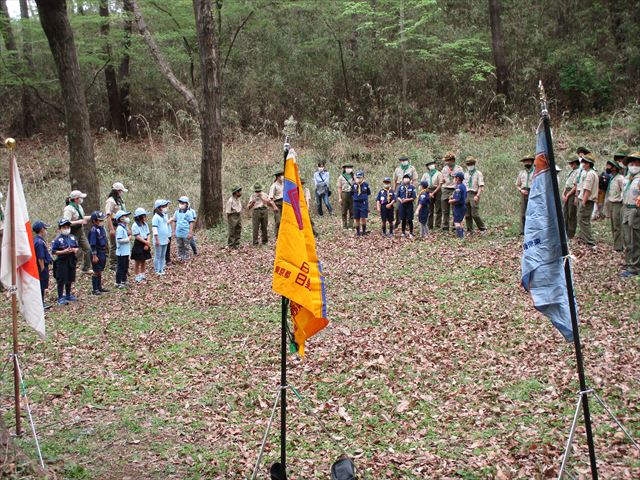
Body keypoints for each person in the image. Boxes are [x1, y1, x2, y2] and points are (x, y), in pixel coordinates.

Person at [620, 152, 640, 278]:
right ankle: (629, 262)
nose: (633, 166)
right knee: (627, 237)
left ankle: (635, 267)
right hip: (625, 208)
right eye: (631, 163)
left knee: (635, 238)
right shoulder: (627, 178)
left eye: (636, 163)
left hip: (635, 210)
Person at [63, 190, 92, 273]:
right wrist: (79, 222)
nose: (81, 199)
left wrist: (92, 216)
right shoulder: (68, 209)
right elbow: (66, 222)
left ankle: (85, 268)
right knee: (71, 251)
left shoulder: (79, 207)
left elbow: (82, 217)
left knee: (87, 249)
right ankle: (68, 269)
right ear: (76, 199)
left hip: (80, 230)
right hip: (72, 232)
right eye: (80, 198)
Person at [51, 218, 79, 305]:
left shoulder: (72, 237)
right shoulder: (57, 239)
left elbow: (77, 247)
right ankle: (60, 297)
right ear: (60, 229)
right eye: (64, 227)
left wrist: (74, 250)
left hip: (71, 260)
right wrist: (64, 251)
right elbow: (54, 251)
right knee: (61, 279)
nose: (66, 229)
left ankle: (68, 295)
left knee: (70, 277)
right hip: (62, 261)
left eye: (67, 226)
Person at [576, 153, 599, 248]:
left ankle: (590, 242)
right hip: (585, 199)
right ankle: (584, 238)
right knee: (583, 220)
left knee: (584, 220)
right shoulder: (589, 173)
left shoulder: (590, 174)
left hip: (587, 200)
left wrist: (583, 202)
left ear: (588, 164)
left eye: (584, 163)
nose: (583, 164)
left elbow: (587, 189)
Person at [104, 182, 128, 270]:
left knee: (121, 242)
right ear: (117, 191)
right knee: (114, 244)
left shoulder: (119, 200)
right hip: (114, 224)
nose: (122, 192)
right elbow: (108, 215)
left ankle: (119, 261)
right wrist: (111, 229)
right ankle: (113, 263)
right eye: (121, 191)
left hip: (121, 224)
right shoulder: (110, 201)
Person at [440, 152, 464, 232]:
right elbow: (442, 179)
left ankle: (455, 227)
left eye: (448, 160)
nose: (446, 162)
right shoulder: (444, 168)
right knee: (445, 210)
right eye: (446, 161)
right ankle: (445, 227)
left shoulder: (459, 169)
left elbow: (461, 180)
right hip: (446, 189)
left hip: (455, 189)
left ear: (452, 160)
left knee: (455, 210)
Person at [393, 155, 418, 229]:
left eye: (404, 160)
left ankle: (407, 221)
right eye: (402, 160)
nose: (403, 162)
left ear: (407, 160)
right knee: (398, 207)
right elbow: (395, 180)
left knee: (408, 205)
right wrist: (394, 190)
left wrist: (412, 188)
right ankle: (397, 221)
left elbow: (415, 179)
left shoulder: (412, 168)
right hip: (399, 187)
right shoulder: (397, 169)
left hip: (409, 188)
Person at [87, 211, 109, 295]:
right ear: (94, 221)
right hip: (96, 252)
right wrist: (94, 255)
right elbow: (93, 244)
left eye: (102, 220)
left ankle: (99, 287)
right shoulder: (93, 230)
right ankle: (95, 289)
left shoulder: (101, 229)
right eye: (99, 220)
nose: (101, 222)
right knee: (96, 270)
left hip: (102, 251)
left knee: (100, 270)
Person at [463, 156, 486, 234]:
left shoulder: (478, 173)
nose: (469, 165)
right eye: (468, 164)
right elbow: (464, 185)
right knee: (467, 214)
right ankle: (470, 230)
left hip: (474, 194)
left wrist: (477, 195)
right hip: (466, 194)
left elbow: (481, 185)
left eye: (471, 163)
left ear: (474, 164)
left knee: (475, 214)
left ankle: (482, 228)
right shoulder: (465, 174)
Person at [606, 158, 625, 252]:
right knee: (613, 224)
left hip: (618, 204)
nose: (607, 168)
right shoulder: (612, 178)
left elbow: (624, 191)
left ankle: (619, 247)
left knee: (617, 225)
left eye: (609, 166)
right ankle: (616, 243)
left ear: (614, 168)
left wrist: (620, 200)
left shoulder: (620, 178)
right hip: (611, 203)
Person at [33, 221, 52, 309]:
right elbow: (40, 258)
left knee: (42, 285)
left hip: (41, 266)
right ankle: (40, 303)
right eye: (45, 228)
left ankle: (41, 301)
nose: (46, 230)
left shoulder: (38, 240)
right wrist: (42, 268)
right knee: (41, 285)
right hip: (41, 267)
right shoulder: (39, 242)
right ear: (41, 230)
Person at [131, 208, 152, 282]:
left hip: (146, 242)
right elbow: (137, 236)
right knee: (137, 261)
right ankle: (137, 275)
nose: (145, 218)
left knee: (143, 260)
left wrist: (148, 242)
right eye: (144, 216)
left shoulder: (145, 224)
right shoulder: (135, 225)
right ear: (140, 217)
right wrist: (145, 242)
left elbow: (148, 233)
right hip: (139, 243)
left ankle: (143, 274)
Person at [562, 158, 580, 239]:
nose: (571, 165)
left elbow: (576, 186)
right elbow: (566, 184)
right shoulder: (571, 172)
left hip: (572, 193)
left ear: (576, 163)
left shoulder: (579, 171)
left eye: (572, 163)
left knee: (571, 213)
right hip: (567, 192)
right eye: (570, 164)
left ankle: (571, 233)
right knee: (565, 212)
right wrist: (563, 194)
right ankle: (564, 231)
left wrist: (568, 194)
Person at [516, 156, 535, 235]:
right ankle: (522, 231)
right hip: (523, 192)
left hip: (533, 192)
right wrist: (521, 190)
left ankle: (532, 230)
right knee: (523, 212)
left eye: (528, 161)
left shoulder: (535, 172)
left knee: (533, 212)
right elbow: (517, 185)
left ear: (531, 162)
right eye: (525, 161)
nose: (527, 163)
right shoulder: (521, 173)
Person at [421, 159, 442, 230]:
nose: (431, 166)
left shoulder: (439, 173)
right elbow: (422, 184)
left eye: (432, 164)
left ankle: (437, 225)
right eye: (429, 165)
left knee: (438, 208)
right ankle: (430, 225)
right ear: (427, 167)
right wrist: (428, 193)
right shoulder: (425, 174)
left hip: (437, 191)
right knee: (430, 209)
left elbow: (440, 184)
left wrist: (433, 193)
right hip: (428, 190)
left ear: (435, 165)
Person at [172, 196, 195, 261]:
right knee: (179, 246)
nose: (181, 204)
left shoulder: (189, 213)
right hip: (178, 233)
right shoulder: (176, 212)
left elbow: (191, 223)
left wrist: (190, 233)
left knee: (186, 246)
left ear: (187, 204)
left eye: (183, 203)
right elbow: (174, 221)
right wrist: (173, 231)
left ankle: (186, 257)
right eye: (180, 202)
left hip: (186, 233)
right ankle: (180, 257)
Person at [152, 199, 171, 275]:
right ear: (158, 207)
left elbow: (165, 228)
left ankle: (162, 268)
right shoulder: (155, 217)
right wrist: (156, 240)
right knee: (158, 255)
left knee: (163, 255)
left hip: (164, 239)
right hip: (158, 240)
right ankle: (157, 270)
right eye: (163, 206)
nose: (164, 207)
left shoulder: (164, 216)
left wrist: (167, 238)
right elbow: (155, 230)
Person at [114, 210, 132, 288]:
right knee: (120, 267)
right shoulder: (120, 228)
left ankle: (124, 281)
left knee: (125, 267)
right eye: (125, 216)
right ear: (120, 218)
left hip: (125, 251)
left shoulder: (124, 227)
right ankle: (118, 282)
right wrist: (128, 239)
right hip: (121, 252)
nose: (127, 218)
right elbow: (119, 240)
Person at [396, 173, 417, 238]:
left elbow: (414, 197)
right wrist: (401, 200)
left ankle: (411, 232)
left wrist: (407, 200)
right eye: (405, 178)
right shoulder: (400, 187)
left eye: (407, 178)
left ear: (410, 179)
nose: (406, 179)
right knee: (403, 219)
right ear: (402, 179)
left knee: (410, 219)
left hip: (409, 205)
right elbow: (397, 196)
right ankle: (403, 232)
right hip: (402, 205)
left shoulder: (412, 187)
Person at [351, 171, 371, 236]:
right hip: (356, 203)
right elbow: (351, 193)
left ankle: (364, 231)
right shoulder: (353, 185)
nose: (358, 179)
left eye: (360, 177)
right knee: (356, 218)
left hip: (363, 203)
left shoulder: (366, 185)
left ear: (363, 178)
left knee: (363, 218)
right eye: (357, 177)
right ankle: (358, 232)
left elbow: (368, 193)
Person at [450, 171, 468, 239]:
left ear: (457, 178)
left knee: (456, 222)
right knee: (460, 221)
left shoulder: (459, 187)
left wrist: (450, 201)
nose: (454, 179)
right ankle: (462, 235)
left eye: (455, 178)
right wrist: (452, 197)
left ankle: (460, 236)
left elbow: (457, 199)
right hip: (463, 206)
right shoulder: (463, 186)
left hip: (459, 207)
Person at [337, 162, 355, 229]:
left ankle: (351, 225)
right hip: (344, 194)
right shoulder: (341, 177)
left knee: (352, 210)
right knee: (344, 211)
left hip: (352, 194)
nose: (349, 169)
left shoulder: (354, 176)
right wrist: (339, 197)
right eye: (347, 168)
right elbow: (339, 187)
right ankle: (344, 225)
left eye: (350, 168)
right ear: (344, 169)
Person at [269, 171, 284, 237]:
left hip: (285, 203)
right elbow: (270, 199)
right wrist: (274, 207)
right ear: (278, 177)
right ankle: (277, 235)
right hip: (277, 204)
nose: (283, 177)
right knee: (278, 221)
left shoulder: (284, 184)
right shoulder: (274, 186)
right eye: (282, 175)